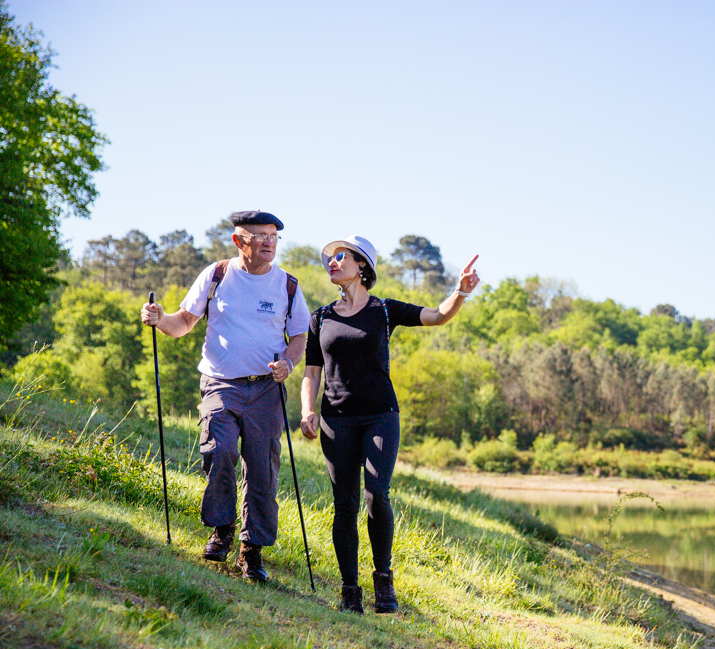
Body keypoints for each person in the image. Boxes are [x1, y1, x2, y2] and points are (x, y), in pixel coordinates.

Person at [299, 236, 480, 614]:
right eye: (330, 257)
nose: (333, 261)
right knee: (344, 506)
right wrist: (307, 410)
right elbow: (311, 372)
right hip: (337, 420)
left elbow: (436, 315)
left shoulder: (384, 311)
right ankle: (350, 591)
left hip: (381, 415)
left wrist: (459, 293)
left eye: (341, 256)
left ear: (362, 266)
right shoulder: (321, 318)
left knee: (376, 494)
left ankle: (384, 582)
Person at [141, 210, 309, 582]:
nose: (269, 242)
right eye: (260, 235)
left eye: (273, 236)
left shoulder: (288, 286)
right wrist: (159, 318)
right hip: (220, 383)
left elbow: (299, 337)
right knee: (220, 451)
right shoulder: (217, 275)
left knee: (263, 470)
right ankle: (222, 531)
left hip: (266, 388)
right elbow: (183, 322)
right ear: (239, 240)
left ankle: (252, 551)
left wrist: (289, 364)